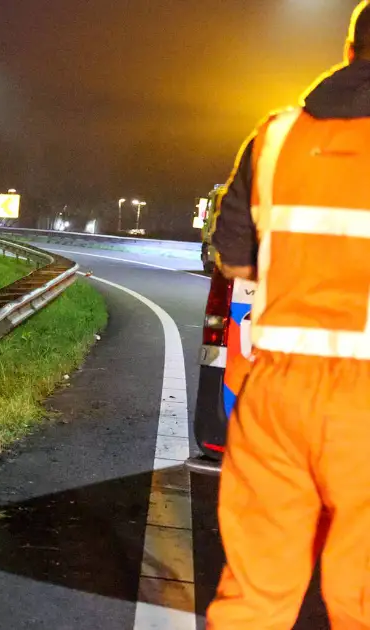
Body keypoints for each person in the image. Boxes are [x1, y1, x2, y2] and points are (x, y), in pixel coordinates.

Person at [208, 3, 370, 627]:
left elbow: (234, 262)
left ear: (351, 52)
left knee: (255, 598)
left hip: (276, 395)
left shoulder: (276, 136)